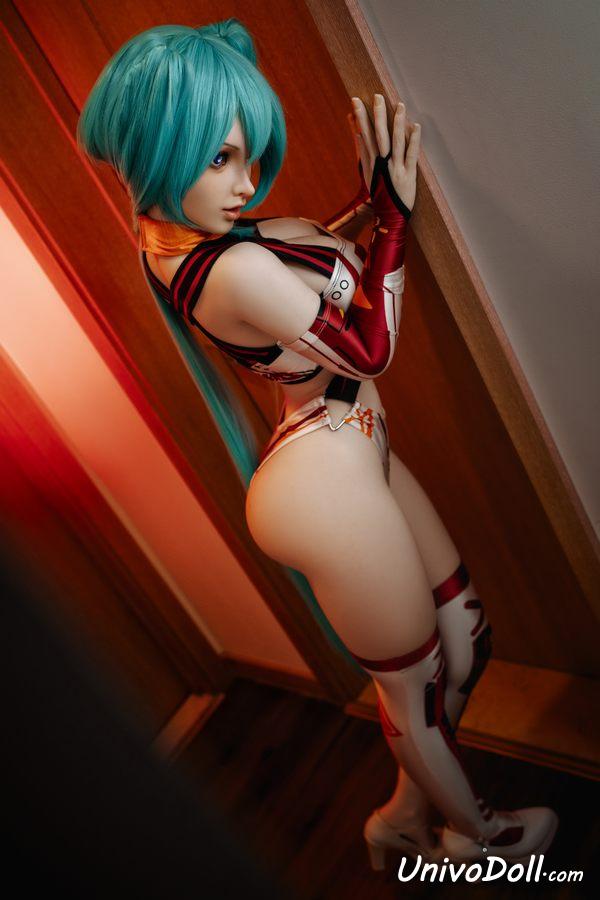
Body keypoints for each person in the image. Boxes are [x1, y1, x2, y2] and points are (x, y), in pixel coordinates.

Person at [77, 18, 559, 870]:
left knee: (464, 640)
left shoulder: (180, 236)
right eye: (219, 157)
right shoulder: (228, 269)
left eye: (247, 154)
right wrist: (393, 220)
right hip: (323, 483)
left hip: (348, 447)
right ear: (158, 152)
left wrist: (367, 208)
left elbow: (309, 278)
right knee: (417, 687)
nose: (245, 181)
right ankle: (478, 840)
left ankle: (402, 820)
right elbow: (370, 349)